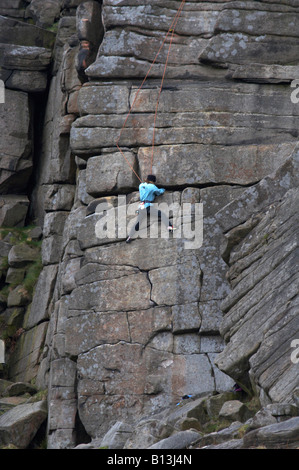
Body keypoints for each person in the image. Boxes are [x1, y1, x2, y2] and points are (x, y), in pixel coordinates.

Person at [126, 175, 174, 243]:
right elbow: (159, 192)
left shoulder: (141, 185)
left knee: (138, 223)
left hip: (141, 207)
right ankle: (170, 228)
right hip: (147, 206)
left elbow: (145, 187)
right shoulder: (152, 187)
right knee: (162, 214)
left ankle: (130, 237)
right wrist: (163, 189)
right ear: (153, 181)